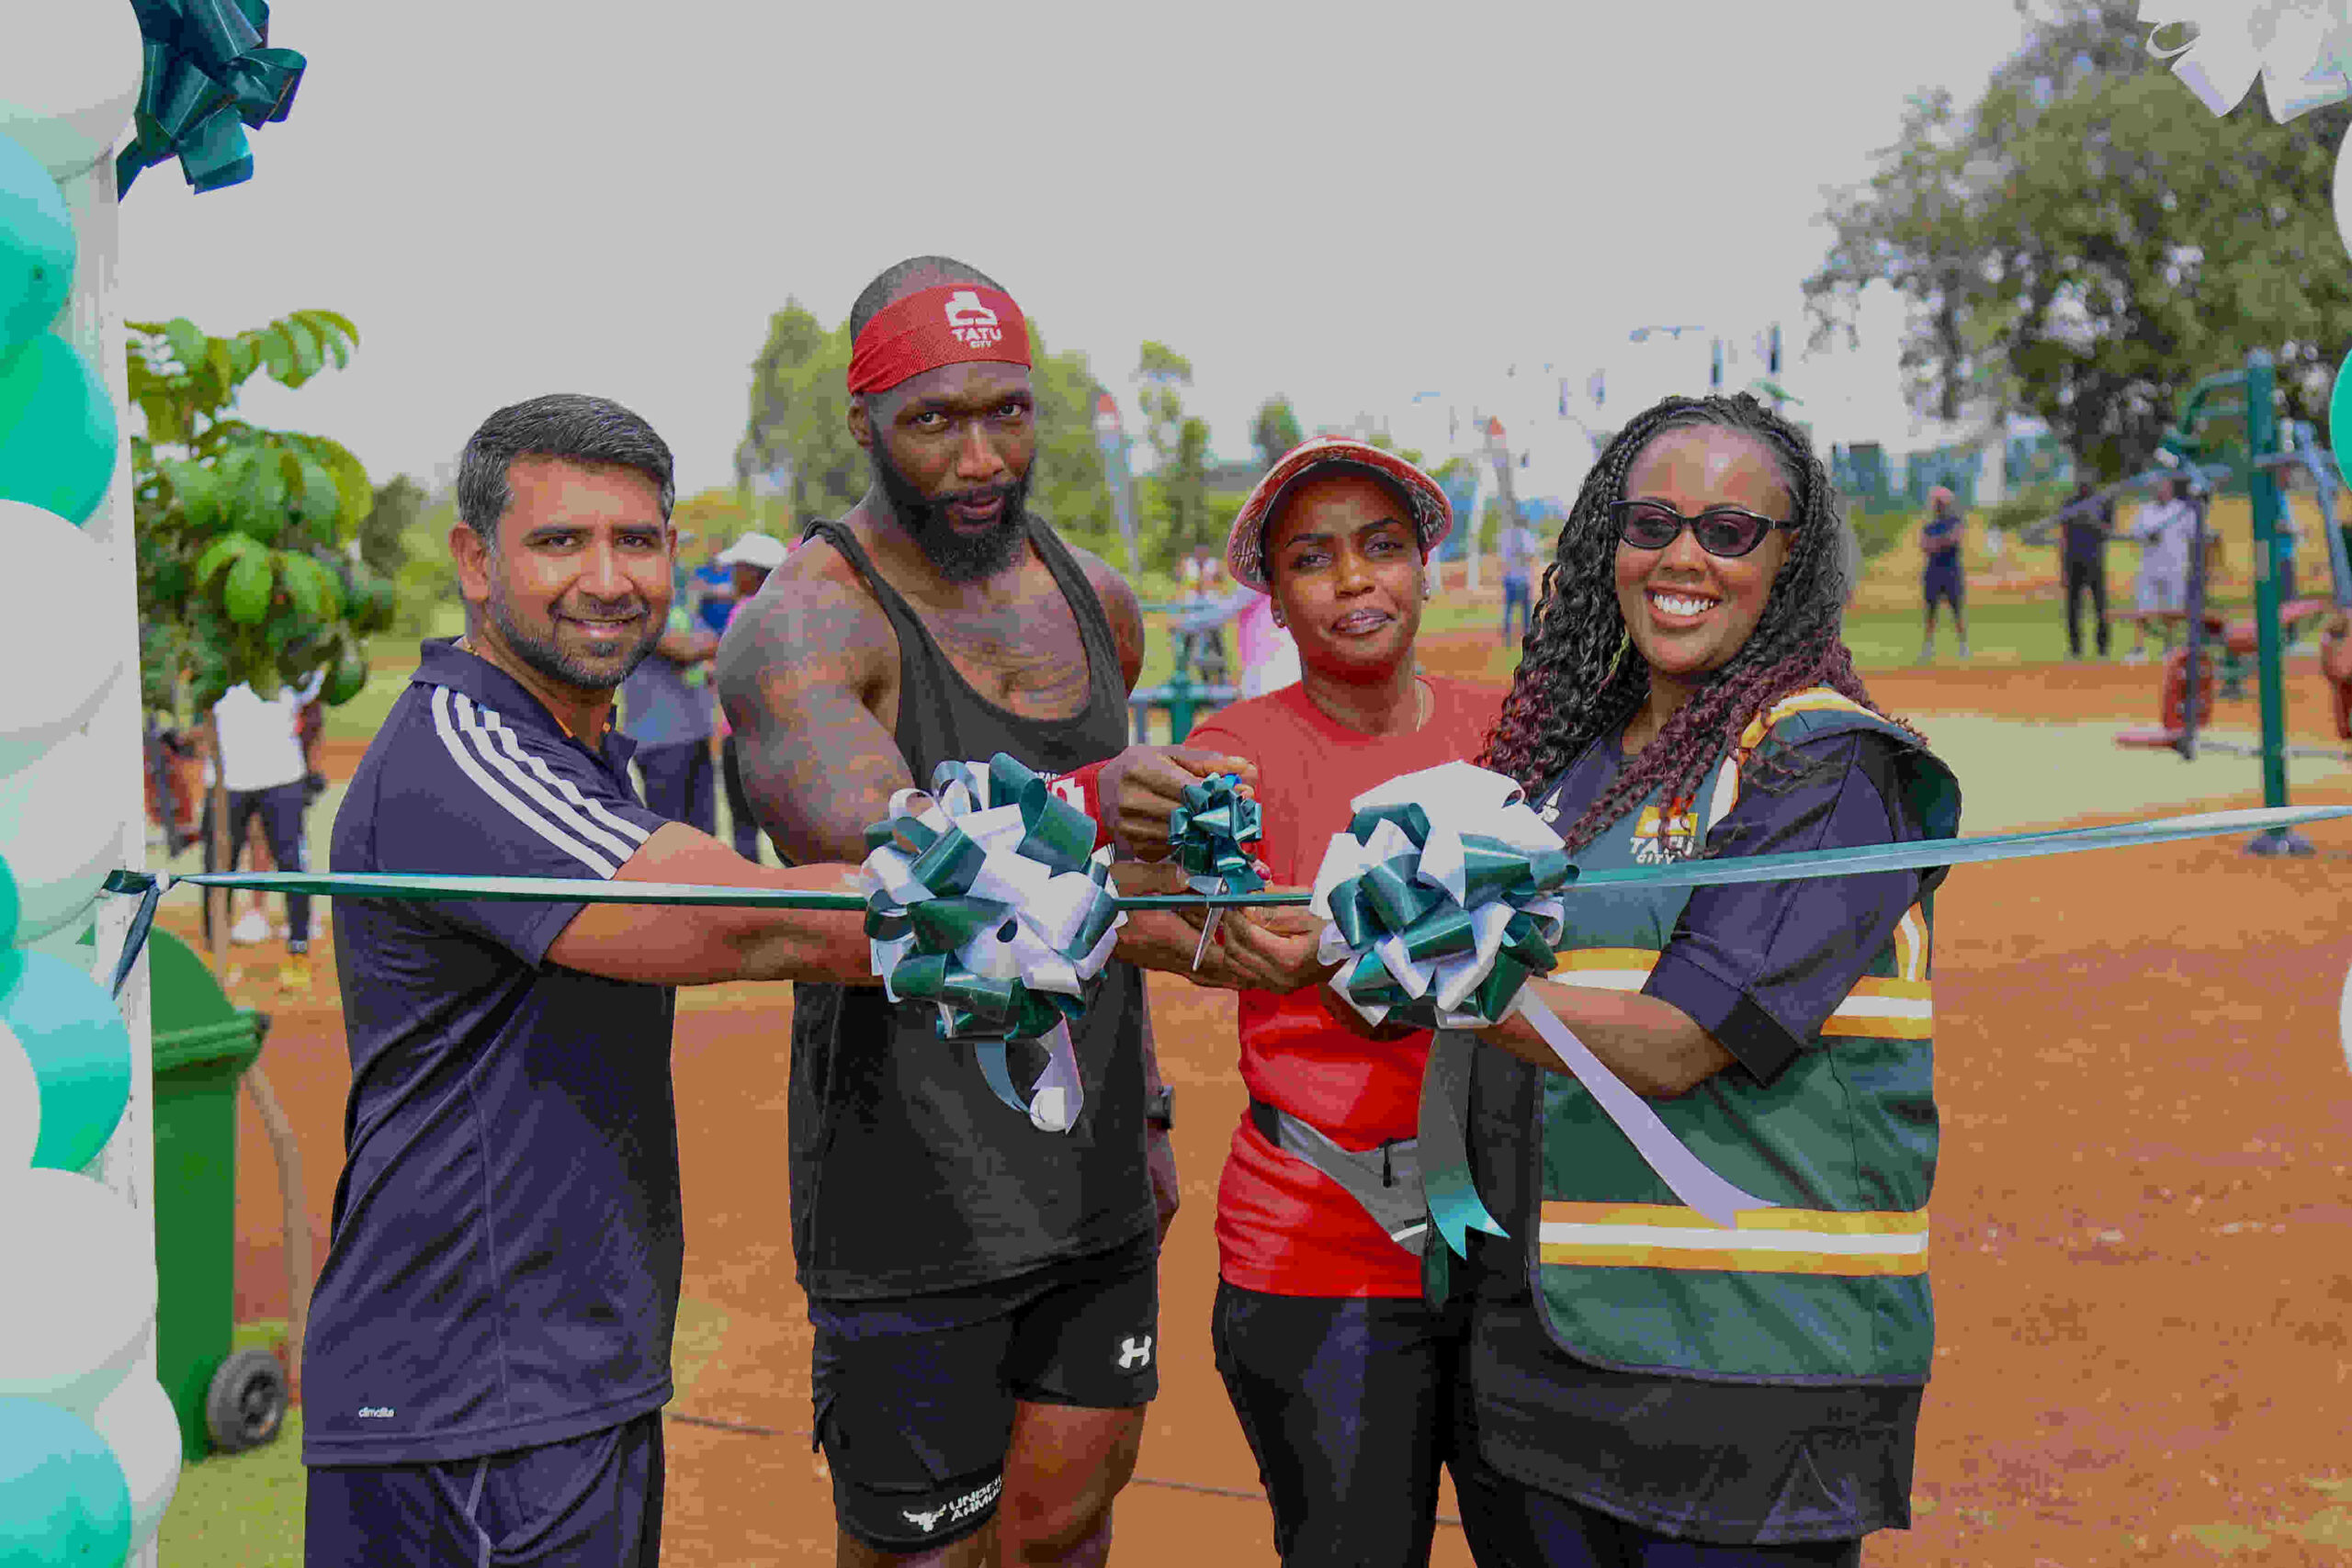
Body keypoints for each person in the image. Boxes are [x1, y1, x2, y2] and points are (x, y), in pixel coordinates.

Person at [1227, 392, 1961, 1565]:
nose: (1682, 556)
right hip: (1552, 1375)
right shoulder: (1567, 768)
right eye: (1652, 520)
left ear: (1794, 562)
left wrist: (1389, 956)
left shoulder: (1825, 765)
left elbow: (1679, 1039)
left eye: (1729, 531)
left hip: (1749, 1380)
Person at [716, 255, 1254, 1567]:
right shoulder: (801, 628)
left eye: (1006, 410)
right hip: (911, 1200)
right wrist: (1094, 789)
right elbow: (908, 884)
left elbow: (1116, 906)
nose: (978, 454)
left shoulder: (1098, 601)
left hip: (1095, 1176)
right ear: (862, 424)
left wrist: (1157, 1111)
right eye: (934, 419)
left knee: (1067, 1529)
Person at [302, 393, 877, 1567]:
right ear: (474, 560)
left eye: (637, 539)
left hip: (560, 1367)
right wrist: (1018, 899)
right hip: (472, 1387)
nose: (607, 578)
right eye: (560, 541)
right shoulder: (463, 750)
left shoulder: (579, 747)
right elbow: (735, 925)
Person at [1175, 437, 1503, 1566]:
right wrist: (1214, 942)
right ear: (1273, 595)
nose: (1355, 580)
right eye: (1312, 558)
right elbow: (1140, 905)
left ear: (1424, 565)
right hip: (1321, 1246)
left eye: (1382, 547)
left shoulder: (1513, 734)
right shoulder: (1227, 763)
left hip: (1518, 1246)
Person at [201, 671, 324, 987]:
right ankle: (215, 960)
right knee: (217, 869)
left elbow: (312, 712)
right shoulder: (212, 650)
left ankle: (298, 953)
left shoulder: (289, 651)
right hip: (225, 780)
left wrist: (313, 768)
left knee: (291, 866)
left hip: (282, 775)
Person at [617, 556, 720, 832]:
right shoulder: (634, 617)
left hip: (695, 735)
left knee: (704, 836)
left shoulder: (679, 613)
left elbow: (708, 641)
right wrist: (706, 643)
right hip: (661, 744)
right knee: (672, 836)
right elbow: (686, 650)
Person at [712, 530, 790, 861]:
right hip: (780, 735)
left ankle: (752, 904)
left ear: (755, 573)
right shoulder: (788, 611)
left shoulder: (744, 611)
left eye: (739, 567)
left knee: (744, 827)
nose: (733, 575)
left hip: (744, 736)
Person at [2128, 476, 2199, 664]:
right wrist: (2147, 537)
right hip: (2149, 566)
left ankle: (2169, 647)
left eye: (2165, 487)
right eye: (2159, 487)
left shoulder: (2182, 510)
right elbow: (2135, 533)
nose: (2162, 491)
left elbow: (2196, 534)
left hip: (2174, 567)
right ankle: (2138, 648)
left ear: (2172, 489)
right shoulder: (2146, 510)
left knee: (2171, 610)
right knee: (2142, 608)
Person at [2059, 479, 2116, 660]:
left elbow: (2109, 531)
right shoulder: (2069, 504)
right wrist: (2063, 569)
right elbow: (2063, 537)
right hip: (2073, 561)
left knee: (2100, 607)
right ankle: (2075, 649)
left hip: (2094, 561)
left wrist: (2093, 522)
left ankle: (2102, 649)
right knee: (2073, 609)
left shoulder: (2103, 503)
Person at [1917, 484, 1966, 660]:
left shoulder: (1955, 522)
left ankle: (1963, 645)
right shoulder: (1930, 526)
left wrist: (1936, 543)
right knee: (1930, 611)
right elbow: (1925, 545)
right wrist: (1942, 542)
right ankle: (1928, 647)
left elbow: (1953, 538)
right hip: (1934, 573)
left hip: (1951, 572)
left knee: (1957, 610)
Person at [1498, 511, 1540, 647]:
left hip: (1510, 577)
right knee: (1526, 610)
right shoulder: (1527, 536)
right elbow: (1531, 556)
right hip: (1523, 579)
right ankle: (1527, 636)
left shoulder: (1508, 537)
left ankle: (1507, 636)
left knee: (1509, 609)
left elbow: (1504, 559)